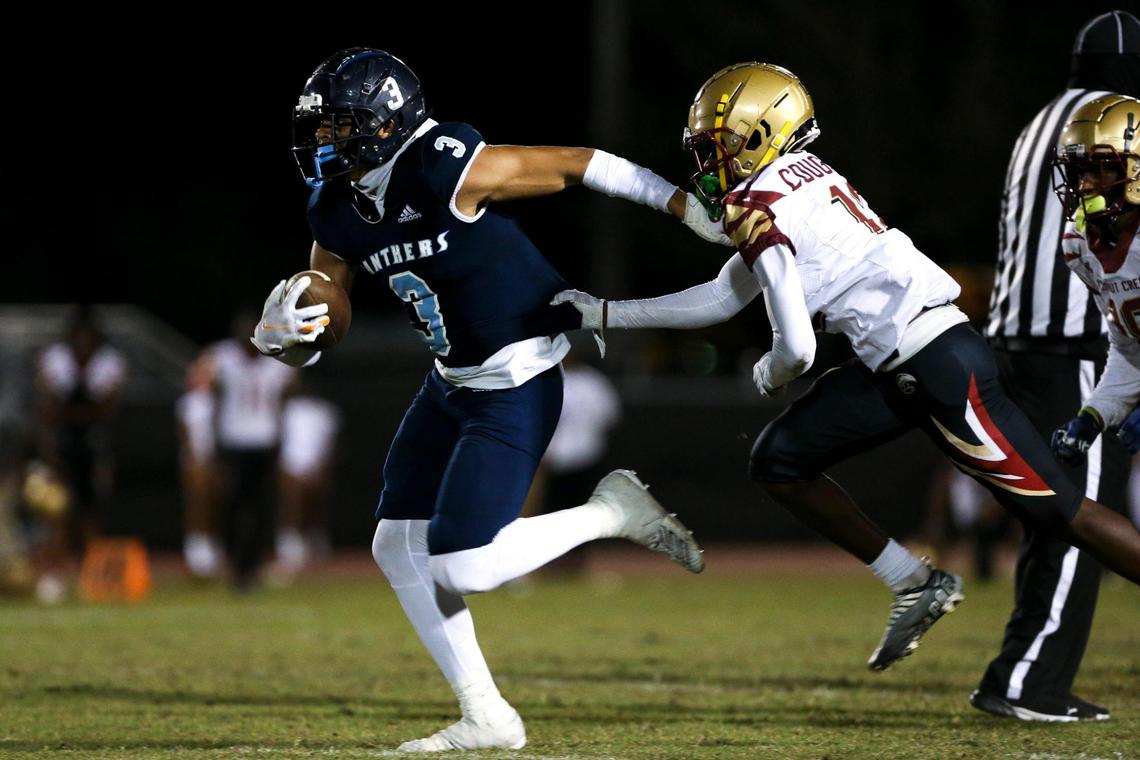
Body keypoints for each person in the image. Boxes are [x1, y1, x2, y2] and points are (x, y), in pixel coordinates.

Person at [554, 61, 1140, 674]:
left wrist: (773, 371)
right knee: (780, 461)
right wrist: (603, 314)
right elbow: (723, 295)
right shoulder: (797, 177)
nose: (707, 166)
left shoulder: (760, 200)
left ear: (760, 134)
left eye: (717, 148)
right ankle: (914, 581)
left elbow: (798, 347)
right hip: (896, 366)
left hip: (936, 362)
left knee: (1059, 510)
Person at [250, 48, 712, 752]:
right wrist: (292, 333)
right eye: (318, 128)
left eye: (337, 126)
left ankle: (609, 512)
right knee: (395, 544)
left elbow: (577, 161)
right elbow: (327, 304)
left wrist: (682, 206)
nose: (322, 142)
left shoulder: (440, 162)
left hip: (518, 375)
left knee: (462, 563)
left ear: (384, 120)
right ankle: (487, 716)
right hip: (450, 382)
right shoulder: (335, 208)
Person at [976, 10, 1140, 722]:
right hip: (1078, 347)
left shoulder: (1040, 121)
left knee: (1052, 514)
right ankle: (1027, 683)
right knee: (1079, 516)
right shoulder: (1119, 123)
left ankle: (1022, 674)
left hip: (1009, 339)